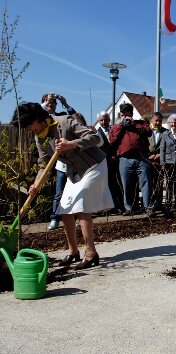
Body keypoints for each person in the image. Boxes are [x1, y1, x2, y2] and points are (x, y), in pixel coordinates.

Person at [12, 102, 113, 269]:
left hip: (94, 165)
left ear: (38, 118)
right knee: (64, 209)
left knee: (81, 207)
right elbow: (44, 164)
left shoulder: (65, 122)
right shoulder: (40, 137)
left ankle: (91, 253)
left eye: (29, 125)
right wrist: (36, 184)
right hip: (75, 171)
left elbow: (96, 138)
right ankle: (73, 251)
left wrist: (72, 144)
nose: (29, 129)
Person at [109, 103, 153, 216]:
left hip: (142, 158)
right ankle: (129, 208)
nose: (125, 118)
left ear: (132, 115)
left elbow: (148, 132)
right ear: (120, 115)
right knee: (127, 184)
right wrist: (121, 126)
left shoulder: (140, 123)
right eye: (123, 116)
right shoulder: (116, 127)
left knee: (146, 183)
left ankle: (148, 207)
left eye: (127, 116)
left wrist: (134, 124)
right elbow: (112, 139)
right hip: (124, 159)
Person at [40, 93, 77, 231]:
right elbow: (39, 112)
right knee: (58, 192)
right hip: (53, 161)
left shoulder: (61, 116)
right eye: (49, 102)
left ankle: (73, 217)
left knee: (72, 190)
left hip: (68, 161)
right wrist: (46, 102)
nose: (51, 104)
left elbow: (75, 118)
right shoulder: (40, 118)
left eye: (54, 103)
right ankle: (54, 218)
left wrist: (65, 104)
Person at [94, 111, 124, 214]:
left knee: (116, 185)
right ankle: (104, 208)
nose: (104, 122)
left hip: (115, 162)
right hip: (102, 162)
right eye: (101, 120)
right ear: (98, 121)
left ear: (109, 119)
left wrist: (115, 156)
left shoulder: (114, 130)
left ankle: (118, 206)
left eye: (105, 119)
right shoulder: (96, 133)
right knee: (103, 186)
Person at [148, 112, 168, 211]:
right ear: (151, 121)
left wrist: (161, 154)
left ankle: (159, 204)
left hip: (161, 162)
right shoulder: (147, 132)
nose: (158, 122)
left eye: (160, 121)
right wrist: (149, 156)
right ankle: (150, 205)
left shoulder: (166, 132)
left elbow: (170, 147)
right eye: (156, 120)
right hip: (149, 162)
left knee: (159, 184)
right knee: (149, 184)